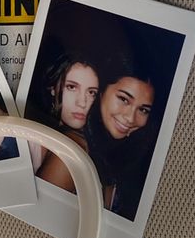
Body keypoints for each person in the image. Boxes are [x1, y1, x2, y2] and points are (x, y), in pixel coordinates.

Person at [85, 55, 157, 217]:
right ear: (101, 91)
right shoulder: (76, 151)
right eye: (124, 99)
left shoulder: (136, 158)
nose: (131, 118)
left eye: (143, 110)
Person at [34, 53, 100, 185]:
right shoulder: (49, 130)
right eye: (72, 87)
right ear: (53, 88)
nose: (82, 102)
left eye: (91, 92)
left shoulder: (69, 150)